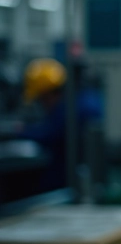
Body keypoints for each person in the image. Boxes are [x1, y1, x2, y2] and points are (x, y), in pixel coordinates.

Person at [19, 58, 103, 193]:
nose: (43, 106)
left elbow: (50, 134)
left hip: (66, 181)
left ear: (48, 94)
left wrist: (22, 131)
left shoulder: (69, 109)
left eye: (42, 100)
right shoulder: (86, 98)